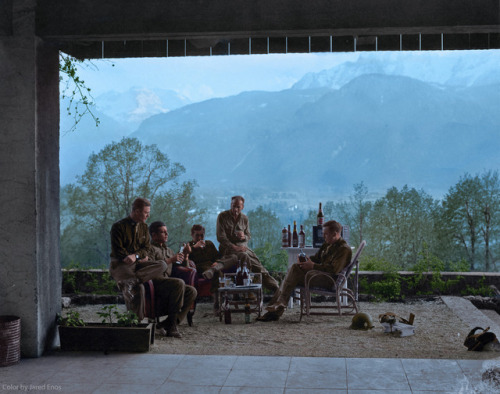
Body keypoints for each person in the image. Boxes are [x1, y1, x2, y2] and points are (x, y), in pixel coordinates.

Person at [109, 198, 188, 338]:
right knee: (138, 288)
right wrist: (132, 256)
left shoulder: (144, 227)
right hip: (121, 264)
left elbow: (145, 249)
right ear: (136, 211)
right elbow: (118, 250)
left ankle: (133, 280)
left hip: (137, 264)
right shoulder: (118, 226)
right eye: (146, 213)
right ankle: (137, 325)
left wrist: (136, 256)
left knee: (162, 264)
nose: (148, 216)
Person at [258, 220, 352, 321]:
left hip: (329, 280)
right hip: (319, 275)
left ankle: (276, 308)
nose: (323, 236)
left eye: (326, 234)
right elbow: (317, 258)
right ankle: (277, 307)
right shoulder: (327, 244)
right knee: (294, 269)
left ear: (335, 234)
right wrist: (306, 259)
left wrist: (312, 266)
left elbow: (333, 270)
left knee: (293, 273)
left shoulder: (344, 249)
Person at [216, 195, 280, 298]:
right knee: (244, 257)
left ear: (242, 207)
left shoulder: (244, 219)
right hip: (228, 251)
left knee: (259, 267)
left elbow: (248, 235)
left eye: (238, 207)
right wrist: (234, 247)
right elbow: (221, 237)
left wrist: (243, 237)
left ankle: (276, 289)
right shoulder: (222, 217)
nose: (235, 209)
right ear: (230, 205)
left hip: (243, 249)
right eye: (233, 206)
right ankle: (248, 291)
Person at [148, 221, 197, 333]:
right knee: (179, 283)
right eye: (163, 232)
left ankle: (170, 322)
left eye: (167, 232)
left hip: (168, 283)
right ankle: (172, 326)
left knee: (192, 291)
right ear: (154, 235)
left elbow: (182, 267)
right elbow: (150, 267)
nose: (167, 234)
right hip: (155, 282)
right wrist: (171, 260)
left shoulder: (169, 250)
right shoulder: (149, 249)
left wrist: (186, 255)